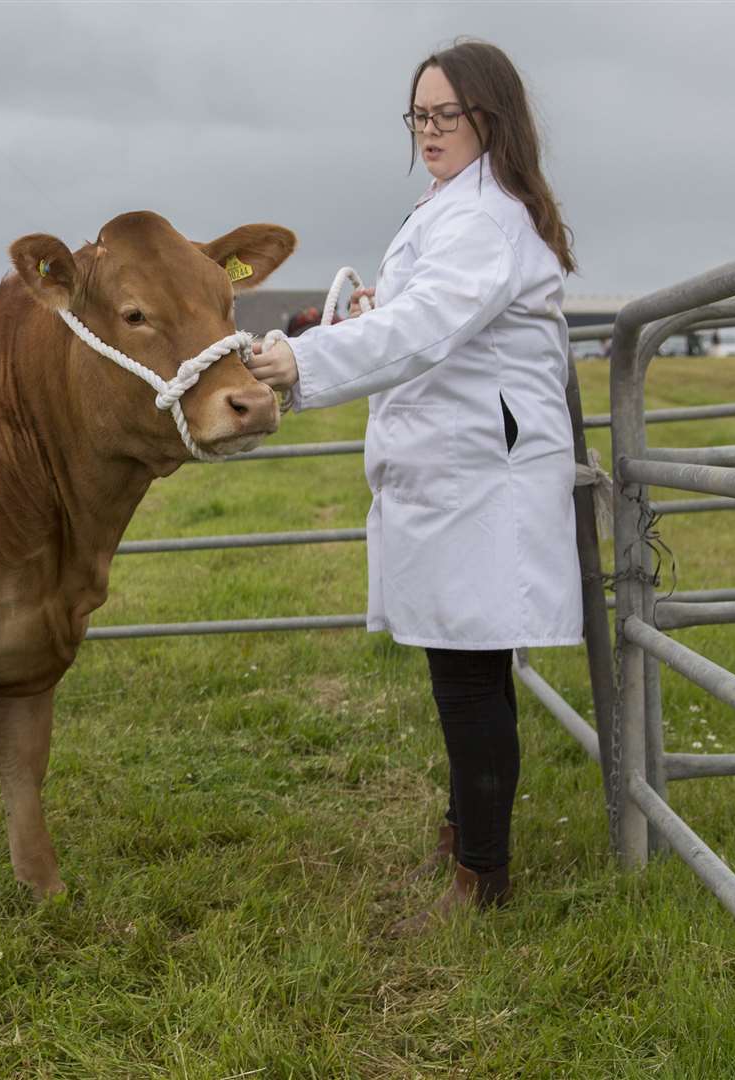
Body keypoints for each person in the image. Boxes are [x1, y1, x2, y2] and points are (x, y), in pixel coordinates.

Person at [247, 38, 582, 934]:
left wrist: (302, 355)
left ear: (489, 120)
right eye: (419, 116)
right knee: (463, 665)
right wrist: (371, 314)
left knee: (468, 674)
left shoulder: (482, 218)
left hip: (480, 473)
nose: (429, 131)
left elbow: (430, 327)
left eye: (447, 116)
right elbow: (417, 316)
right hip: (459, 467)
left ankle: (483, 875)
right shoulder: (453, 206)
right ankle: (466, 835)